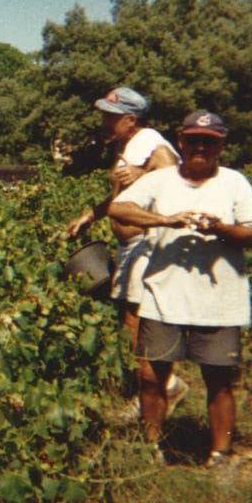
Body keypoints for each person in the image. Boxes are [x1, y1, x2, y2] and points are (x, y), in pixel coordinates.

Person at [108, 111, 252, 466]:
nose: (200, 147)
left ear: (220, 146)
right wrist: (164, 220)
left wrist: (221, 229)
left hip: (219, 301)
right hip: (162, 297)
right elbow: (119, 208)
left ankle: (220, 455)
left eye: (209, 141)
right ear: (180, 141)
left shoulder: (234, 183)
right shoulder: (160, 181)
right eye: (194, 139)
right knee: (151, 378)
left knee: (220, 382)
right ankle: (152, 449)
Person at [64, 87, 185, 411]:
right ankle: (156, 388)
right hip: (130, 246)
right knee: (129, 323)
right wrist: (91, 214)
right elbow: (122, 199)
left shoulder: (149, 141)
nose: (104, 122)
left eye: (110, 117)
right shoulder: (126, 144)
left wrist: (143, 171)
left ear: (130, 119)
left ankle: (161, 390)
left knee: (137, 323)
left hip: (147, 244)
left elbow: (176, 170)